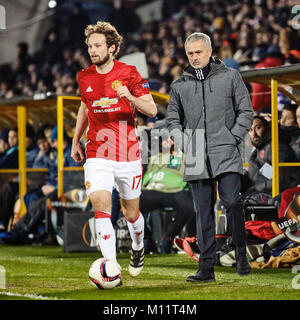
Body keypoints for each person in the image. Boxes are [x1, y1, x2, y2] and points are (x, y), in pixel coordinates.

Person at [71, 21, 157, 278]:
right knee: (101, 206)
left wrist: (129, 96)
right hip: (97, 152)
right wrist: (76, 140)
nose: (92, 50)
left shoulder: (130, 73)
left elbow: (152, 109)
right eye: (89, 46)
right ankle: (110, 266)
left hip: (128, 154)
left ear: (112, 47)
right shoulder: (84, 76)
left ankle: (139, 246)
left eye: (97, 46)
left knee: (131, 214)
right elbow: (85, 107)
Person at [166, 32, 253, 282]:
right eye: (190, 53)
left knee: (232, 202)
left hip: (225, 150)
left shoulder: (230, 76)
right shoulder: (178, 85)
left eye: (198, 52)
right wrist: (184, 143)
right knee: (203, 212)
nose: (194, 57)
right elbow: (172, 120)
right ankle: (206, 269)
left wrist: (232, 137)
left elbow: (246, 111)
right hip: (195, 154)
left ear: (209, 51)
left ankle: (240, 254)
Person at [140, 128, 196, 254]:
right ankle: (147, 238)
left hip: (175, 192)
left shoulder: (185, 157)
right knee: (129, 205)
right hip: (152, 191)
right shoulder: (153, 157)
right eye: (164, 139)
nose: (167, 141)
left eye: (170, 138)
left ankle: (168, 237)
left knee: (188, 206)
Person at [242, 116, 299, 195]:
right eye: (250, 130)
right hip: (263, 192)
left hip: (279, 195)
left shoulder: (277, 147)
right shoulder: (258, 149)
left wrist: (255, 188)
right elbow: (251, 176)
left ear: (266, 128)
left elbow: (282, 179)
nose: (254, 133)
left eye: (258, 128)